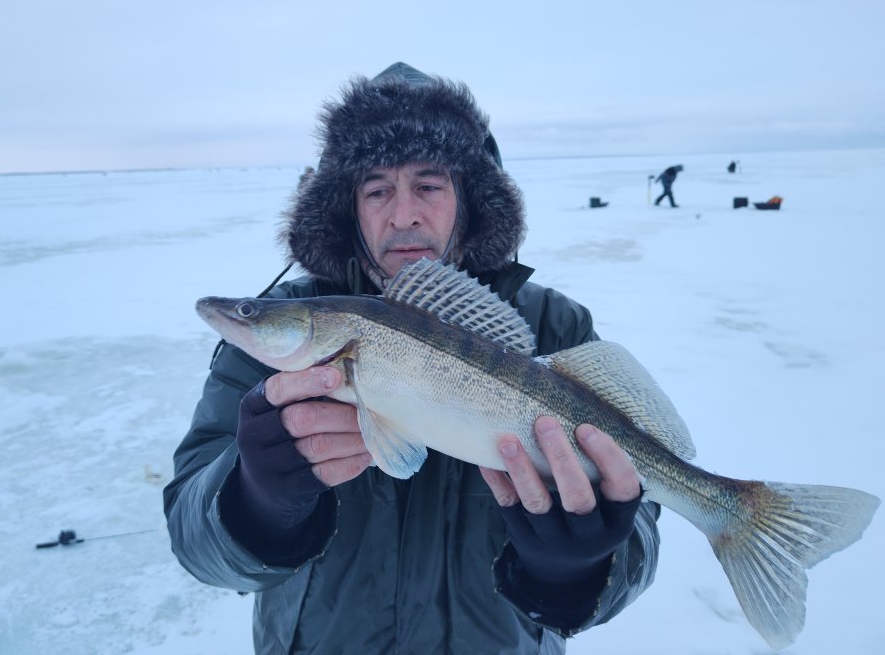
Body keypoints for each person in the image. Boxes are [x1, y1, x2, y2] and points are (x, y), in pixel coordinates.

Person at [164, 62, 661, 654]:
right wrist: (254, 500)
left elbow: (643, 511)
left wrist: (580, 568)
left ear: (469, 200)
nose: (403, 216)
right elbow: (193, 542)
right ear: (348, 208)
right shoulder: (274, 348)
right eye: (377, 190)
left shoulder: (555, 326)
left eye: (429, 186)